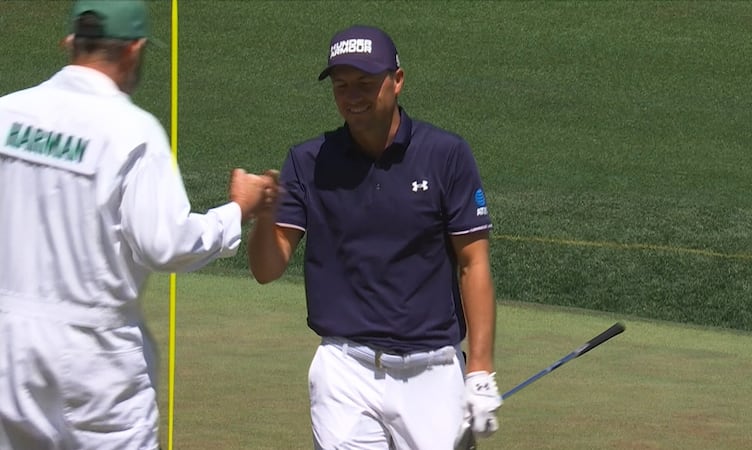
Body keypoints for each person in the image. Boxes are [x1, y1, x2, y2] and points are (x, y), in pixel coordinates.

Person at [0, 1, 277, 449]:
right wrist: (237, 210)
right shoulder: (132, 130)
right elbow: (165, 245)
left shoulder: (7, 114)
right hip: (94, 356)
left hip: (8, 351)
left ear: (70, 41)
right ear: (134, 50)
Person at [248, 25, 502, 449]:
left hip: (432, 371)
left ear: (397, 81)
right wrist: (264, 216)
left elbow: (473, 262)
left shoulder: (445, 154)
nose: (352, 96)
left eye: (365, 83)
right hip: (345, 370)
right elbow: (267, 268)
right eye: (341, 85)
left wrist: (479, 370)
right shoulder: (308, 161)